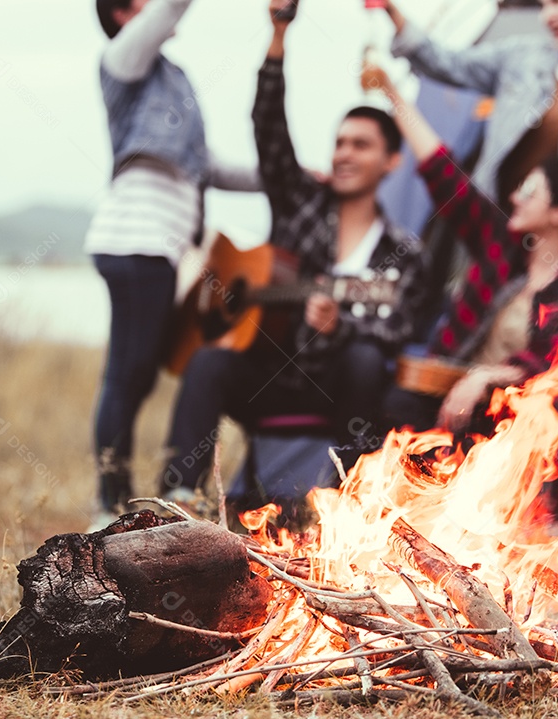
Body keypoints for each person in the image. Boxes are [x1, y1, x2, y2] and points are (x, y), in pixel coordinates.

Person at [157, 0, 428, 508]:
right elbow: (270, 131)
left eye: (361, 145)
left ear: (392, 160)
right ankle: (177, 499)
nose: (344, 153)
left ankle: (349, 504)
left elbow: (397, 330)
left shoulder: (404, 252)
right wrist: (279, 34)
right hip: (272, 377)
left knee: (368, 359)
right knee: (209, 361)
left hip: (343, 391)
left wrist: (340, 327)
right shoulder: (300, 205)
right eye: (340, 143)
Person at [366, 61, 558, 541]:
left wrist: (487, 376)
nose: (515, 196)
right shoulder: (502, 252)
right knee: (389, 396)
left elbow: (554, 365)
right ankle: (376, 510)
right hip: (453, 394)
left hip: (512, 405)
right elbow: (441, 174)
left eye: (530, 191)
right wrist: (393, 93)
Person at [86, 0, 260, 529]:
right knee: (127, 375)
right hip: (134, 241)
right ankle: (108, 503)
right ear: (121, 13)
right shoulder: (122, 60)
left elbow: (207, 167)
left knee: (134, 376)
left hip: (155, 250)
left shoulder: (173, 77)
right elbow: (165, 13)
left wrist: (284, 176)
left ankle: (115, 499)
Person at [378, 0, 558, 251]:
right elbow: (448, 64)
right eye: (543, 6)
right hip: (495, 242)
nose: (548, 16)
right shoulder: (521, 58)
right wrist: (394, 14)